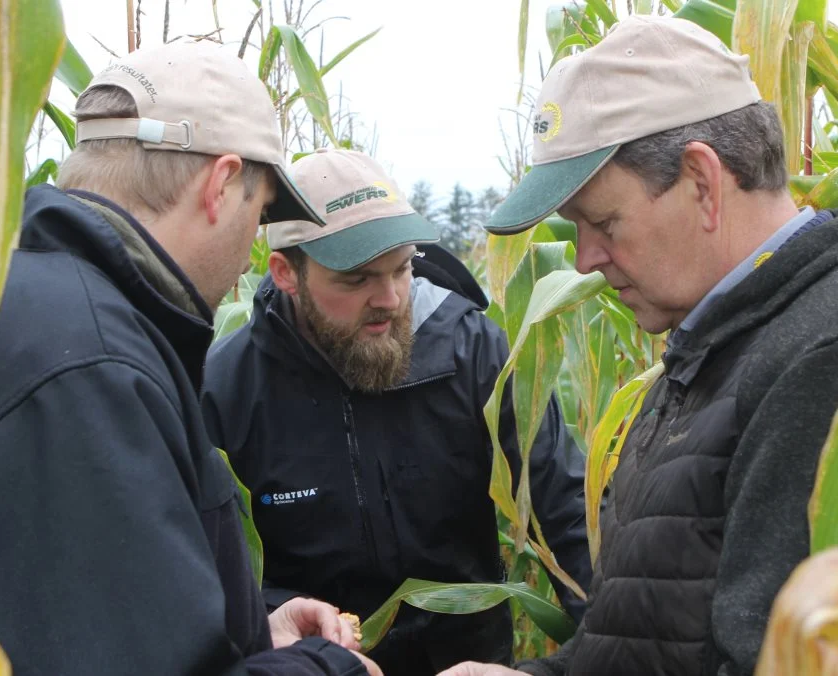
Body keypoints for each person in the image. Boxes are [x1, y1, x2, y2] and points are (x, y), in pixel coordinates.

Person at [0, 42, 380, 676]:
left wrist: (249, 627)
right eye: (259, 216)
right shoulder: (84, 374)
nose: (246, 258)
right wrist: (329, 669)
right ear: (222, 184)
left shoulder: (18, 306)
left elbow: (81, 614)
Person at [441, 15, 838, 676]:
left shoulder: (826, 358)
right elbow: (642, 639)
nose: (583, 260)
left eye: (603, 222)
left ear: (701, 181)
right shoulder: (709, 350)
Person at [201, 148, 593, 675]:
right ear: (287, 274)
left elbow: (569, 510)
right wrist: (276, 624)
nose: (390, 298)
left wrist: (603, 652)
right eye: (357, 278)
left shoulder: (473, 351)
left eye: (402, 268)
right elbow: (208, 572)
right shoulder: (228, 387)